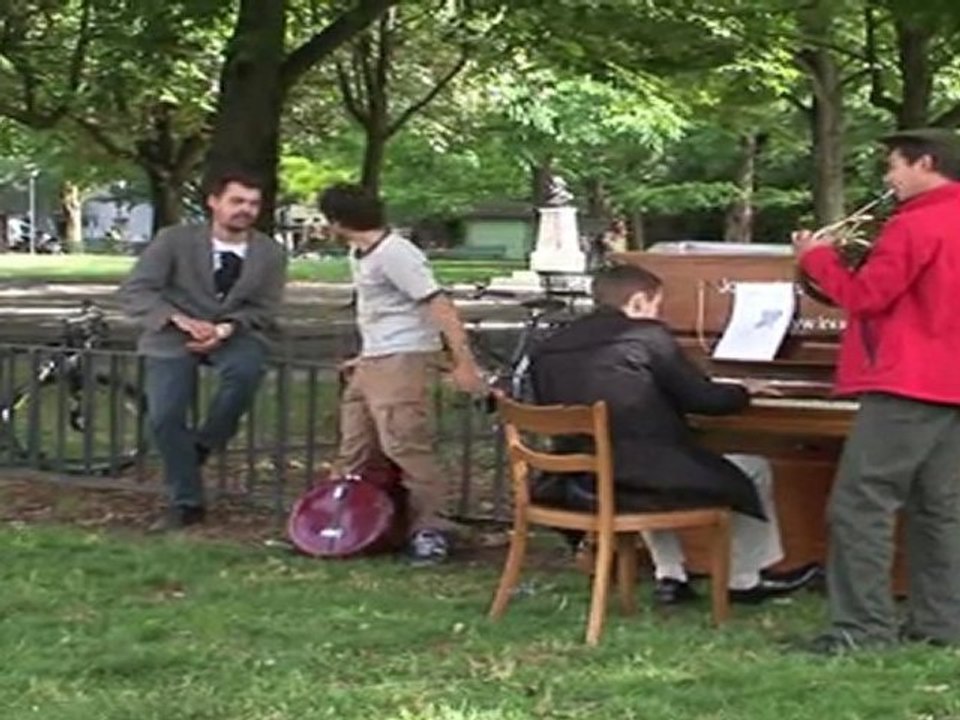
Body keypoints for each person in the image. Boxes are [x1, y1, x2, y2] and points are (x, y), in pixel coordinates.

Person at [530, 264, 818, 604]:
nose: (658, 316)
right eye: (657, 306)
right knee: (752, 468)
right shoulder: (647, 336)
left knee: (644, 459)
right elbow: (704, 400)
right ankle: (744, 579)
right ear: (638, 301)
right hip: (632, 481)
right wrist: (743, 390)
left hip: (578, 482)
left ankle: (671, 575)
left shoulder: (548, 348)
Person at [791, 128, 960, 654]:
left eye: (894, 166)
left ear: (925, 164)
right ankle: (943, 624)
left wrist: (816, 258)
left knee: (860, 505)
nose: (889, 178)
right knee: (941, 506)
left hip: (909, 382)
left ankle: (861, 630)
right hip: (952, 385)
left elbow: (866, 297)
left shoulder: (914, 225)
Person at [319, 183, 488, 565]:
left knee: (406, 444)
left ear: (337, 222)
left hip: (405, 358)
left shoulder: (396, 254)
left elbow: (440, 306)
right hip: (375, 360)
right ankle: (341, 524)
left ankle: (431, 529)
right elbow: (379, 310)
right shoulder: (361, 253)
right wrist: (364, 358)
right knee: (355, 446)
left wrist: (463, 362)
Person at [119, 170, 288, 531]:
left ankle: (203, 445)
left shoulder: (270, 253)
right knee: (164, 417)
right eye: (237, 201)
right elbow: (138, 291)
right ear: (213, 201)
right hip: (171, 335)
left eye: (253, 203)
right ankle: (187, 503)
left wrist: (225, 328)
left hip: (233, 333)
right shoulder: (173, 241)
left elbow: (265, 309)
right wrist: (179, 320)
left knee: (246, 371)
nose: (245, 210)